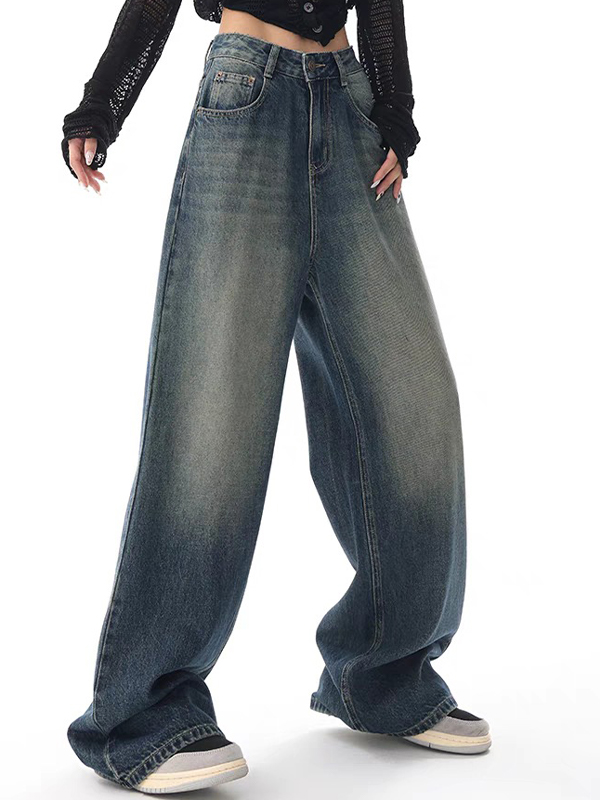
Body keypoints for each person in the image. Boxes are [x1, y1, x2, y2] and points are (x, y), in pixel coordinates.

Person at [61, 0, 491, 793]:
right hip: (245, 99)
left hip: (351, 107)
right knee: (212, 419)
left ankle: (385, 675)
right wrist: (102, 104)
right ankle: (141, 717)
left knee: (417, 407)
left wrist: (394, 112)